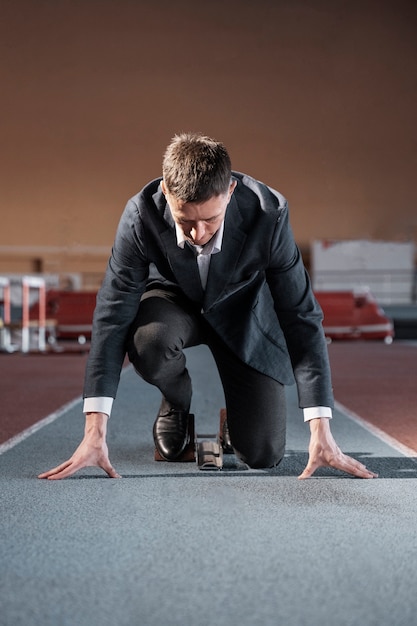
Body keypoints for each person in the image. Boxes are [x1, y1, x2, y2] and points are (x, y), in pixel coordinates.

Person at [39, 132, 377, 481]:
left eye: (210, 221)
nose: (198, 234)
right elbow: (112, 315)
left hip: (244, 315)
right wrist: (94, 432)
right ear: (167, 193)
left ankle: (238, 413)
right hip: (173, 304)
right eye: (185, 221)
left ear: (229, 193)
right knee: (149, 343)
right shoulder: (141, 215)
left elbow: (301, 314)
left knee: (262, 455)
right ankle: (176, 400)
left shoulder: (269, 213)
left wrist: (321, 429)